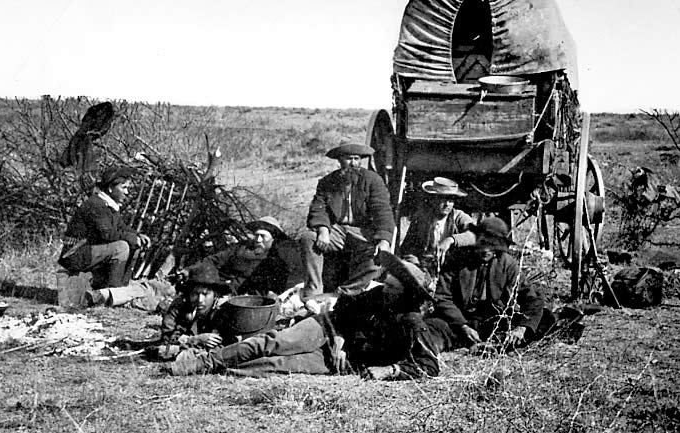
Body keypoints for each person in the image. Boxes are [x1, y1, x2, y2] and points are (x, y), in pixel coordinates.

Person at [165, 252, 455, 380]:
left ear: (406, 293)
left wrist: (388, 371)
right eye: (387, 280)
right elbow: (342, 309)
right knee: (272, 343)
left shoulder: (411, 323)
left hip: (345, 361)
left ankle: (222, 368)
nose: (385, 288)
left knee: (274, 366)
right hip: (325, 329)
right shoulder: (374, 295)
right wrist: (340, 337)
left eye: (393, 286)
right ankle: (202, 362)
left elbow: (430, 365)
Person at [299, 143, 395, 301]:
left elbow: (382, 211)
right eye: (348, 159)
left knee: (381, 257)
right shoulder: (327, 182)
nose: (353, 163)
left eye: (357, 159)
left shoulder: (373, 180)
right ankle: (313, 293)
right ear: (339, 161)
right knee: (308, 238)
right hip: (337, 231)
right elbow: (318, 208)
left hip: (363, 233)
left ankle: (343, 294)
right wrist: (323, 229)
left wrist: (384, 240)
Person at [434, 217, 544, 348]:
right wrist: (463, 326)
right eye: (483, 243)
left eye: (492, 245)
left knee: (541, 320)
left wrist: (521, 328)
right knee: (434, 326)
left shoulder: (507, 264)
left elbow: (531, 298)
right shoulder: (458, 260)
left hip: (495, 321)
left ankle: (496, 344)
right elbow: (442, 297)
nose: (486, 249)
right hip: (461, 319)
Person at [58, 166, 151, 290]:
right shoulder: (96, 205)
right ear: (111, 188)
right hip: (74, 254)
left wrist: (138, 235)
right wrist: (131, 237)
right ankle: (112, 290)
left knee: (134, 245)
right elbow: (107, 234)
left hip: (88, 251)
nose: (127, 192)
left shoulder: (109, 205)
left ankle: (122, 287)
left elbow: (121, 226)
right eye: (124, 188)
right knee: (121, 247)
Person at [399, 177, 476, 275]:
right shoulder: (422, 218)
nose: (447, 204)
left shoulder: (458, 217)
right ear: (433, 199)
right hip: (424, 270)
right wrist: (417, 266)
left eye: (451, 200)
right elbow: (408, 248)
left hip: (450, 272)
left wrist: (451, 240)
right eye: (443, 199)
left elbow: (475, 234)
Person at [160, 265, 235, 350]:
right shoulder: (179, 305)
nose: (200, 300)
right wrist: (194, 340)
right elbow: (167, 336)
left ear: (215, 295)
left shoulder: (223, 310)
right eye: (195, 294)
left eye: (205, 294)